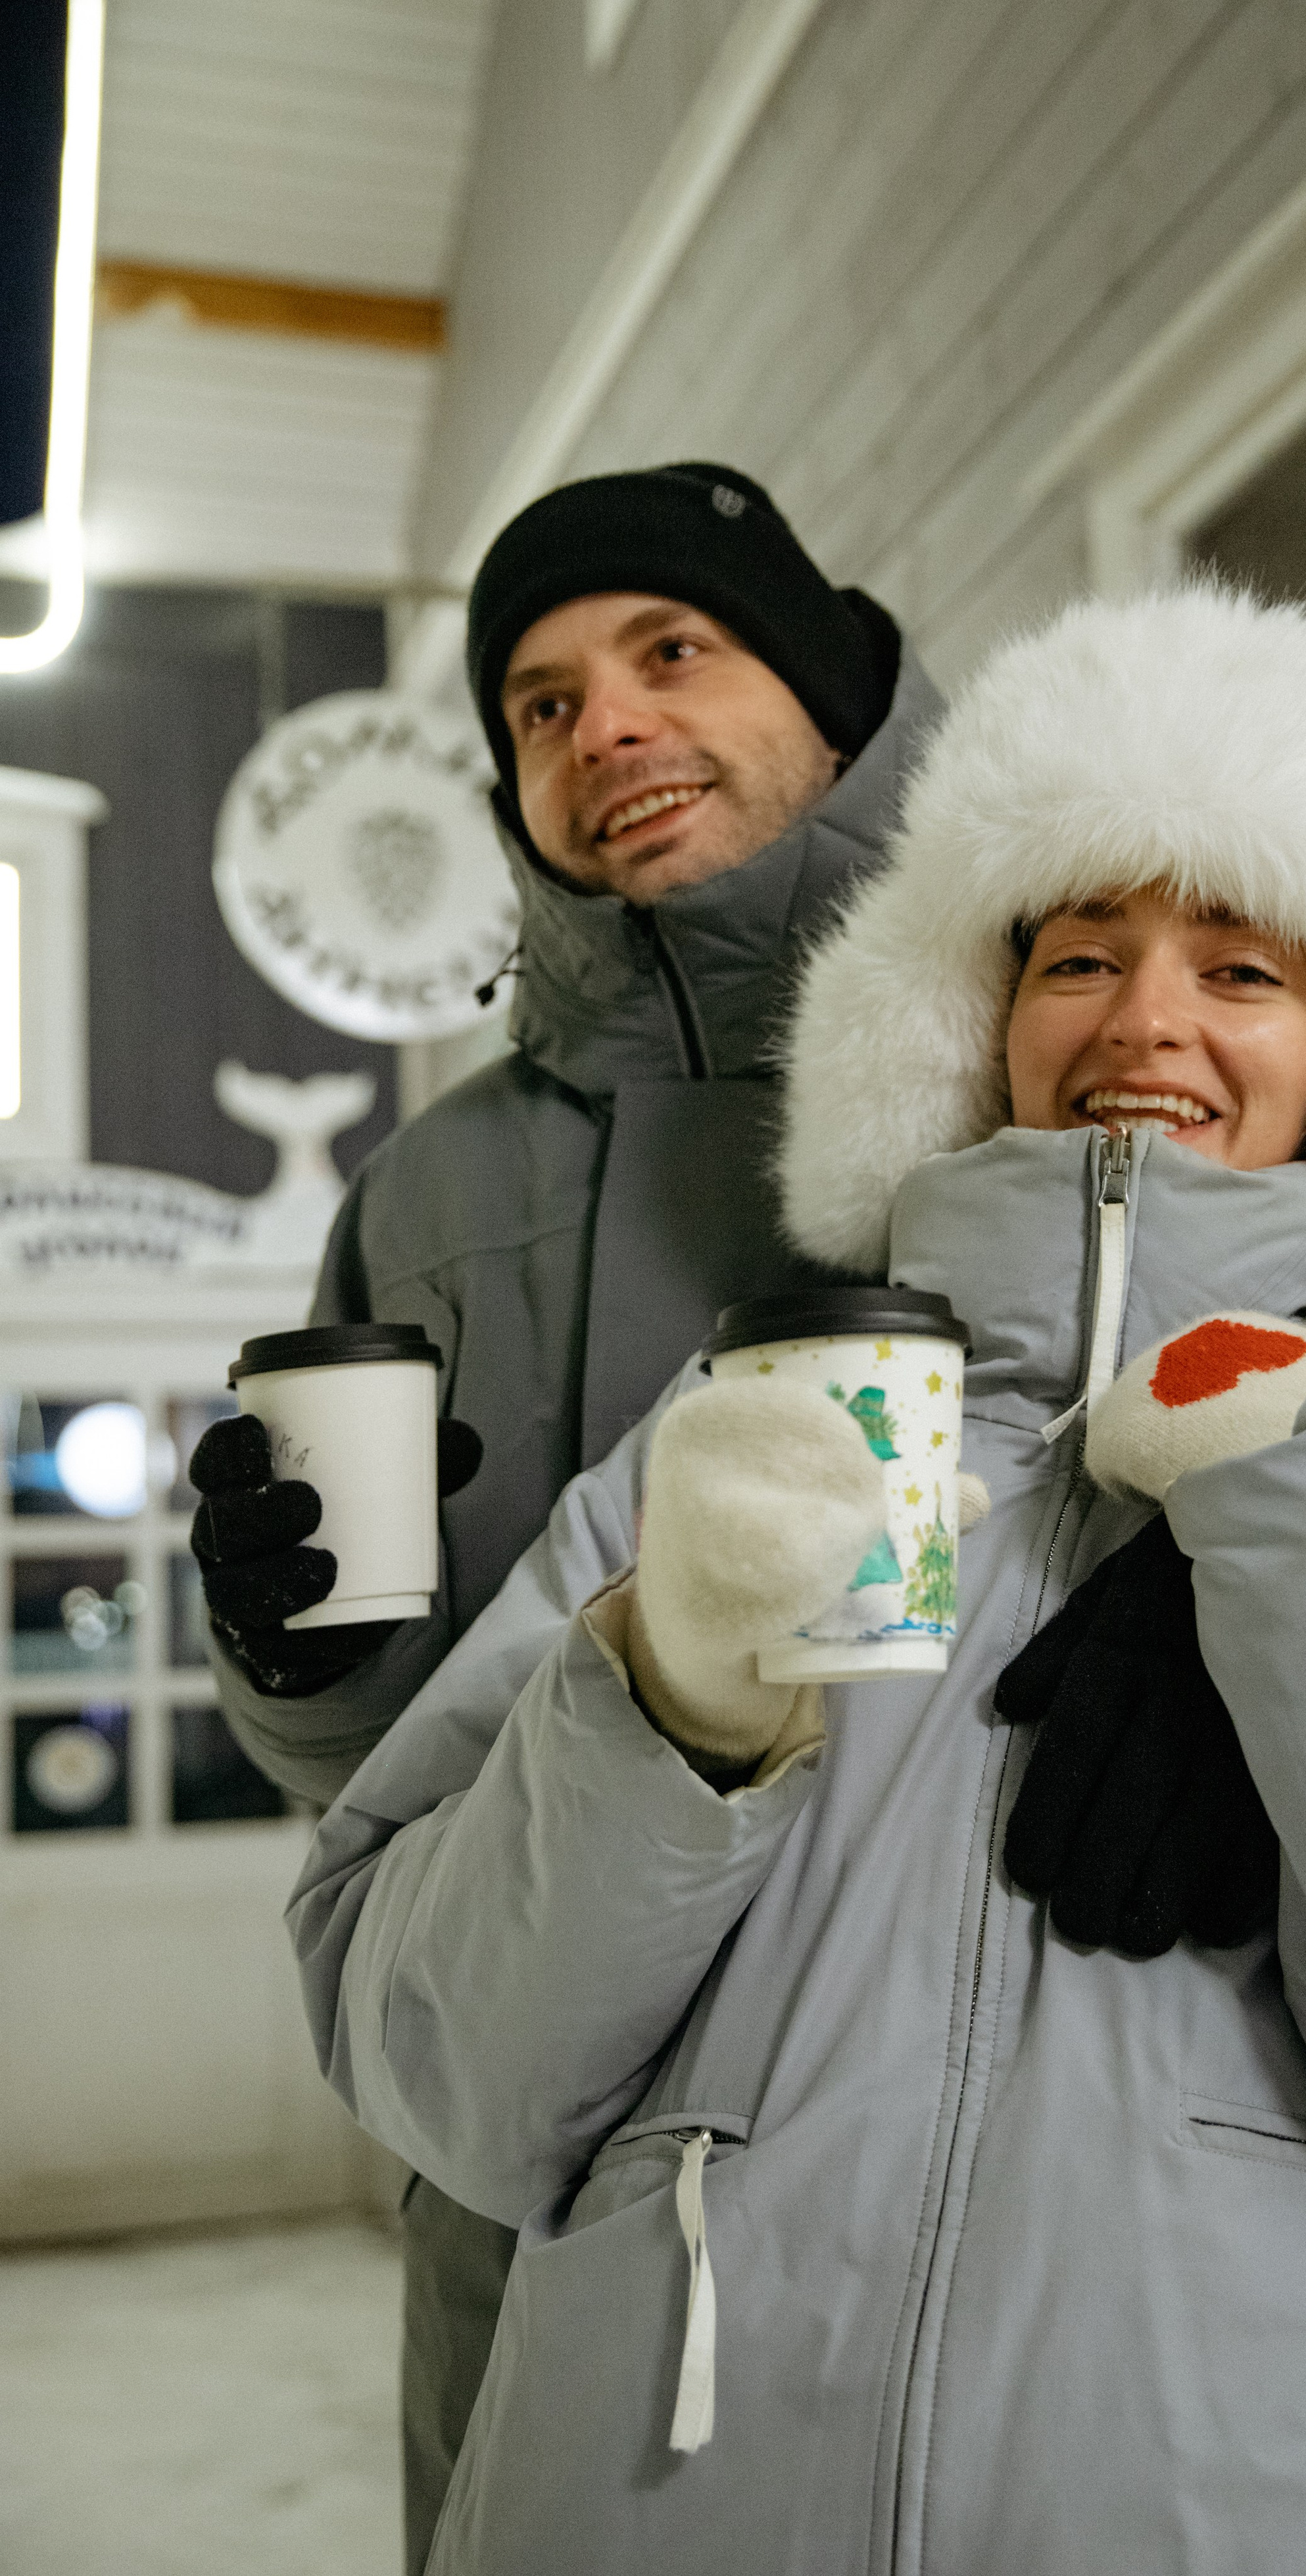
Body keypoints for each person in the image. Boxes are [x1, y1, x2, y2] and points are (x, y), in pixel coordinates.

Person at [293, 587, 1306, 2572]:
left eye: (1247, 968)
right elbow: (445, 2072)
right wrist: (662, 1712)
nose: (1147, 1024)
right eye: (1082, 954)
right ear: (967, 1015)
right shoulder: (750, 1435)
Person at [189, 460, 945, 2570]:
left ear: (833, 693)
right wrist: (299, 1669)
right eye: (535, 702)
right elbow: (378, 1777)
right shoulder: (430, 1194)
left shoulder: (1044, 1033)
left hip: (953, 2127)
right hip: (529, 2175)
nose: (599, 725)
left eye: (670, 652)